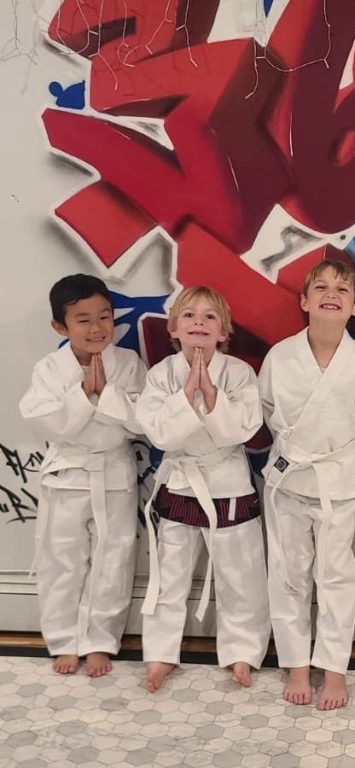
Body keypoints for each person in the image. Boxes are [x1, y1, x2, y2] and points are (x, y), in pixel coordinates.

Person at [260, 258, 355, 710]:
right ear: (304, 300)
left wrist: (349, 470)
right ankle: (296, 664)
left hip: (336, 483)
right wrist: (295, 450)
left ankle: (334, 670)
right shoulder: (280, 357)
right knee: (289, 575)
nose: (331, 294)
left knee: (336, 579)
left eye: (342, 289)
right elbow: (268, 411)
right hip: (289, 480)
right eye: (322, 287)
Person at [136, 286, 269, 692]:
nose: (199, 322)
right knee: (169, 575)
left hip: (228, 482)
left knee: (240, 575)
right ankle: (160, 653)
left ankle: (242, 652)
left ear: (224, 332)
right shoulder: (161, 375)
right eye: (189, 315)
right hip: (181, 480)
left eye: (210, 316)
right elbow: (159, 434)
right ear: (174, 329)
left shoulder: (240, 373)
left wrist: (210, 395)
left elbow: (245, 429)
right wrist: (184, 395)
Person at [20, 274, 146, 677]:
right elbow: (43, 421)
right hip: (68, 474)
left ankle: (100, 641)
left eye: (104, 317)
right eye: (83, 320)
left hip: (114, 472)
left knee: (114, 558)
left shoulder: (128, 364)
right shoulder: (49, 369)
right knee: (62, 560)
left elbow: (142, 420)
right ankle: (63, 640)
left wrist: (106, 394)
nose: (96, 328)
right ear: (60, 326)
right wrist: (82, 396)